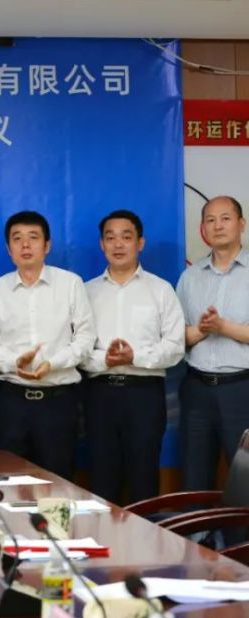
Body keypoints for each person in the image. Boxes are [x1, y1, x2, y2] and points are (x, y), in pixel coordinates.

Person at [0, 210, 96, 479]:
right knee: (10, 480)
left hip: (58, 401)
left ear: (47, 245)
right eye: (17, 238)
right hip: (12, 401)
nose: (25, 245)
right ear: (8, 249)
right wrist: (15, 363)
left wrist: (51, 364)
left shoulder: (70, 284)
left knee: (58, 481)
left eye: (33, 237)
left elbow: (85, 338)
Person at [82, 210, 184, 504]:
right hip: (99, 394)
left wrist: (134, 356)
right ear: (102, 244)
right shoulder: (86, 291)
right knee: (101, 480)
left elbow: (175, 346)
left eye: (126, 237)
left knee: (144, 478)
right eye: (110, 237)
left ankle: (147, 534)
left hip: (144, 395)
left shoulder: (161, 290)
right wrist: (105, 360)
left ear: (140, 243)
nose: (118, 244)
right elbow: (78, 347)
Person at [176, 195, 249, 490]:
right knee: (194, 479)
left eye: (225, 218)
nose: (218, 226)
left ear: (241, 224)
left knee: (245, 481)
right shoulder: (190, 277)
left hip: (241, 389)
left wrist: (223, 327)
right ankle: (196, 525)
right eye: (210, 220)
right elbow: (177, 335)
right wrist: (204, 329)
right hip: (197, 390)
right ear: (203, 228)